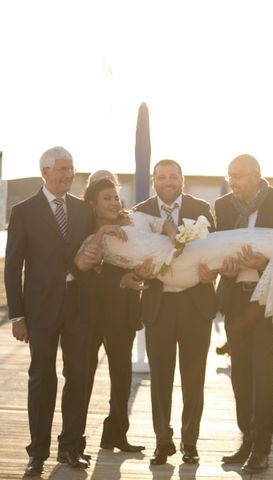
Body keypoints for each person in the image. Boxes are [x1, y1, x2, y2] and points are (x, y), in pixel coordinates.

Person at [4, 146, 94, 476]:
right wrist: (17, 315)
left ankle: (71, 447)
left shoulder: (83, 210)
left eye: (71, 167)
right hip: (39, 310)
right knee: (42, 379)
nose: (69, 173)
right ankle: (37, 452)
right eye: (62, 168)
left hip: (79, 308)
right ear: (45, 172)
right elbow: (12, 268)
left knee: (78, 378)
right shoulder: (24, 211)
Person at [216, 154, 273, 474]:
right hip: (235, 300)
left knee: (261, 372)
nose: (233, 182)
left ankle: (262, 448)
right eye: (229, 176)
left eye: (238, 176)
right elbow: (217, 246)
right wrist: (224, 266)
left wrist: (262, 264)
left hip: (269, 300)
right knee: (239, 372)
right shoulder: (223, 206)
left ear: (256, 176)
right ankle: (247, 438)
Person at [134, 159, 218, 465]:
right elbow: (135, 252)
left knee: (193, 377)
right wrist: (139, 272)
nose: (167, 182)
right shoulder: (140, 211)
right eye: (162, 177)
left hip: (196, 304)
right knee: (160, 378)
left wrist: (213, 274)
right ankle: (162, 440)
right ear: (154, 180)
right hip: (159, 305)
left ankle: (190, 442)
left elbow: (213, 250)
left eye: (173, 176)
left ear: (182, 179)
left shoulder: (201, 208)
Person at [74, 177, 152, 454]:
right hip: (90, 312)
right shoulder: (81, 228)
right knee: (83, 376)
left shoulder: (128, 227)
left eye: (116, 198)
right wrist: (120, 277)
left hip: (122, 310)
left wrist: (134, 275)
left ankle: (116, 435)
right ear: (92, 203)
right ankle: (75, 439)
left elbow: (137, 260)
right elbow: (85, 271)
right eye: (107, 198)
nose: (113, 203)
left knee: (122, 375)